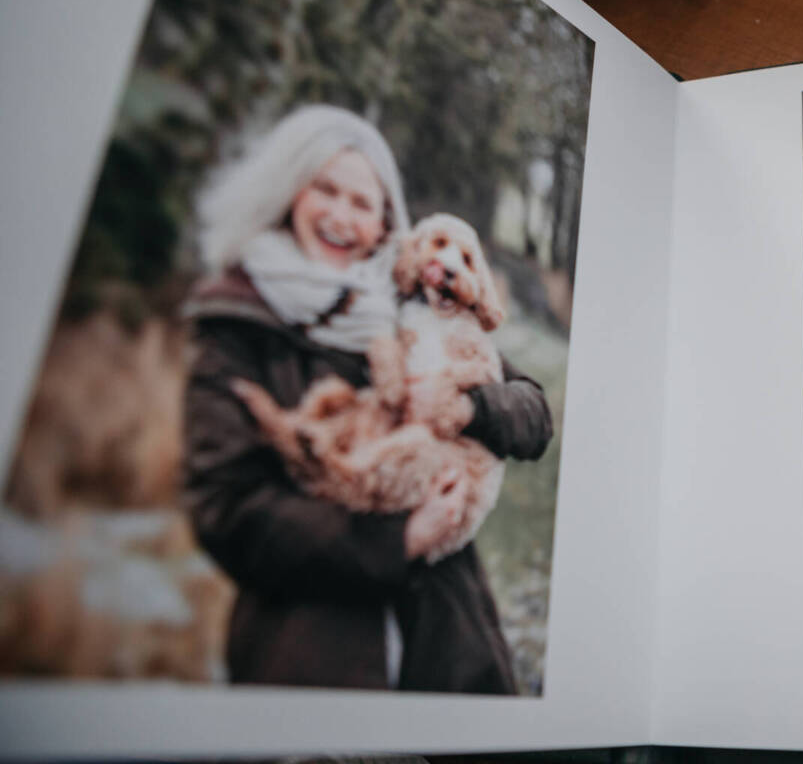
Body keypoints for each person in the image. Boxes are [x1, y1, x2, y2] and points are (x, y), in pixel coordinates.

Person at [182, 104, 551, 692]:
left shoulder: (408, 306)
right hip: (311, 656)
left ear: (384, 222)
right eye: (324, 190)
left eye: (362, 202)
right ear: (288, 193)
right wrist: (400, 540)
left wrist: (473, 409)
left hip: (450, 647)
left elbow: (533, 410)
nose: (340, 215)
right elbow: (229, 511)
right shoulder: (240, 322)